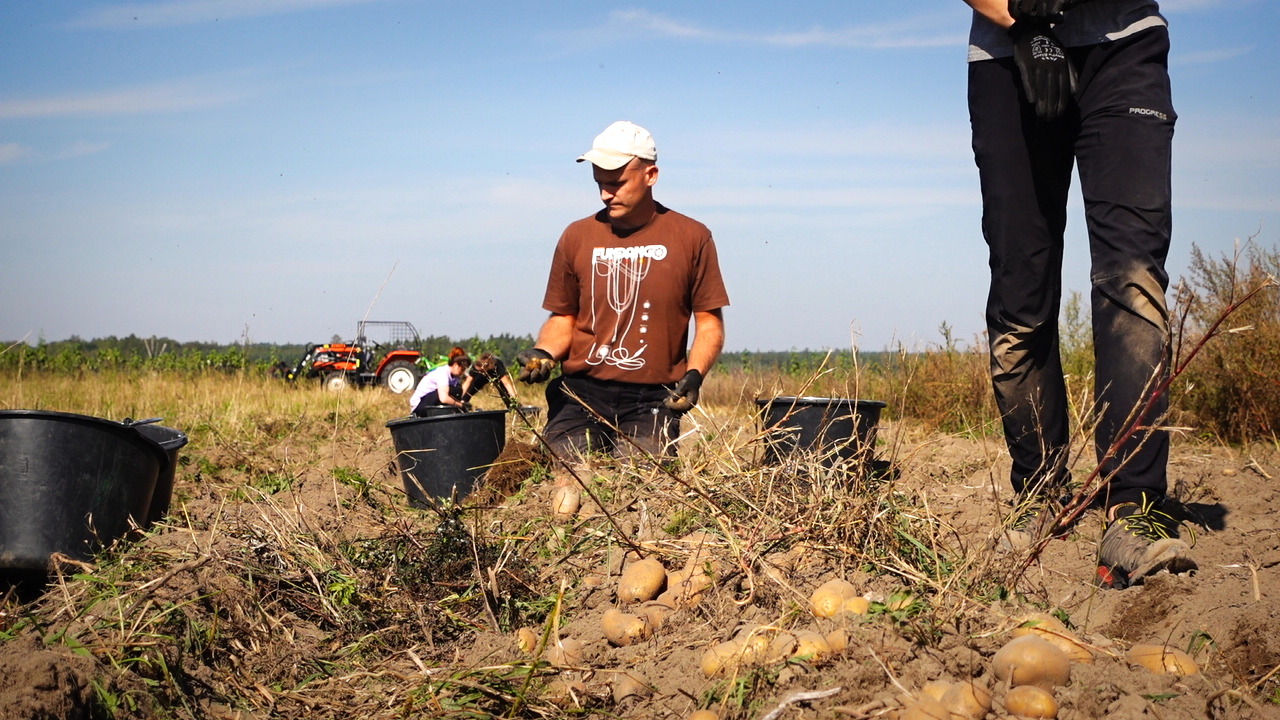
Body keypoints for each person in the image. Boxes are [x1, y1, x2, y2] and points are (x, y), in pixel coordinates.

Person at [964, 0, 1195, 587]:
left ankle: (1135, 507)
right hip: (1004, 53)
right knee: (1022, 286)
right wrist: (1020, 22)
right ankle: (1039, 489)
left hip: (1125, 47)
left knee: (1132, 278)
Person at [516, 120, 729, 464]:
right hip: (581, 394)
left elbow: (709, 325)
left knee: (639, 485)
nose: (605, 193)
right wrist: (544, 353)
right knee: (566, 475)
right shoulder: (577, 235)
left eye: (616, 183)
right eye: (599, 183)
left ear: (651, 175)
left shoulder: (692, 237)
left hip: (652, 400)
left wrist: (694, 375)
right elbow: (564, 317)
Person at [408, 347, 470, 416]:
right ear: (455, 365)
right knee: (452, 390)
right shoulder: (443, 372)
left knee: (457, 390)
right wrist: (460, 405)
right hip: (419, 405)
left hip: (431, 402)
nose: (463, 372)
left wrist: (462, 403)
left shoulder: (455, 378)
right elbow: (443, 398)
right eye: (462, 369)